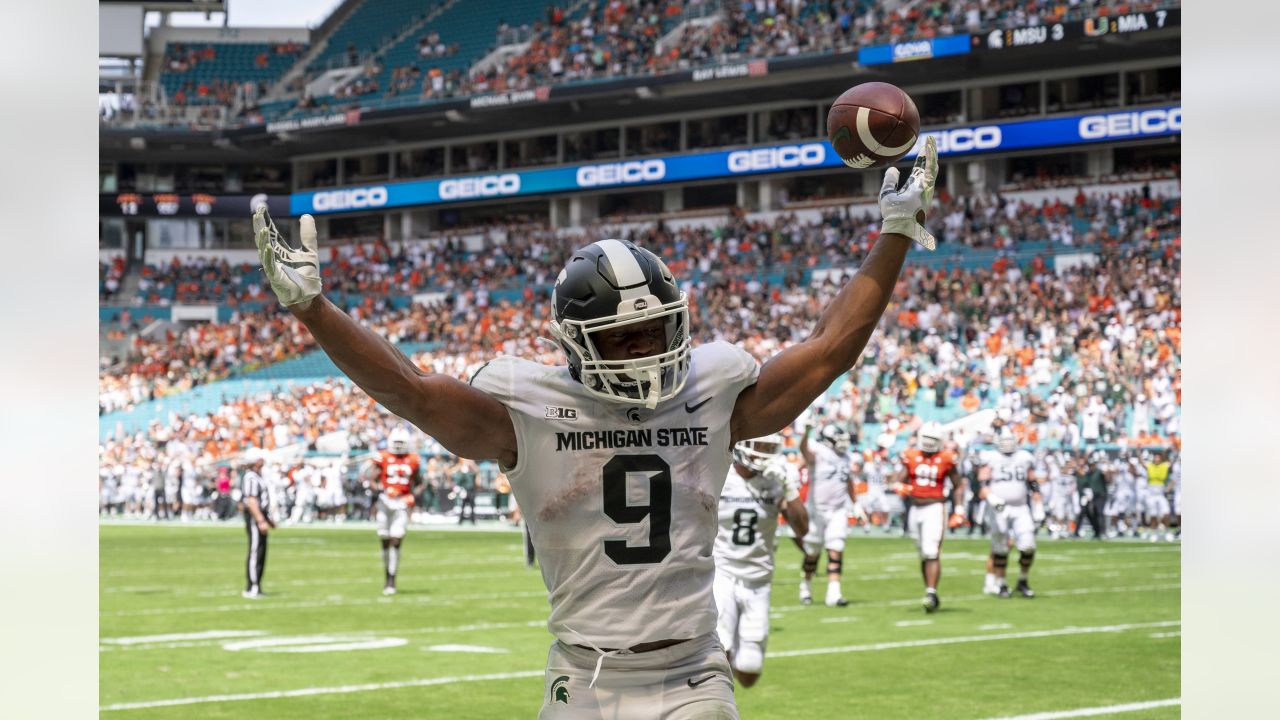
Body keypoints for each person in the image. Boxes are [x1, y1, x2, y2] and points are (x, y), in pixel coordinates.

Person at [251, 137, 938, 718]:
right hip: (584, 678)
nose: (644, 348)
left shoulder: (714, 389)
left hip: (694, 670)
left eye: (653, 330)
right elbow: (410, 391)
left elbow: (830, 349)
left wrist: (896, 231)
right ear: (578, 345)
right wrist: (314, 310)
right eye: (622, 338)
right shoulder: (527, 410)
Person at [713, 435, 808, 687]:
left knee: (750, 671)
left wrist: (790, 489)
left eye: (769, 449)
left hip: (759, 580)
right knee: (718, 650)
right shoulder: (720, 477)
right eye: (760, 448)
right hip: (722, 572)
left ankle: (728, 669)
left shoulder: (776, 482)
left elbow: (802, 529)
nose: (764, 456)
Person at [890, 422, 965, 612]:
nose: (929, 443)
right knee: (923, 553)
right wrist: (899, 486)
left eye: (933, 440)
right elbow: (900, 479)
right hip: (915, 508)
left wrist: (959, 509)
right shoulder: (912, 455)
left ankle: (931, 593)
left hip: (935, 507)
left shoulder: (946, 458)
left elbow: (958, 485)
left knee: (931, 552)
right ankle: (929, 591)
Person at [977, 428, 1043, 599]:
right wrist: (991, 497)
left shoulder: (1024, 457)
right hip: (999, 508)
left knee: (1028, 545)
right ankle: (1001, 583)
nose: (1007, 444)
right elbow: (982, 486)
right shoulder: (991, 458)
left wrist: (1038, 503)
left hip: (1021, 507)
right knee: (1000, 547)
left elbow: (1033, 481)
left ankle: (1023, 580)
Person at [797, 422, 858, 607]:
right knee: (812, 552)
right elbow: (804, 450)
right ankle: (806, 586)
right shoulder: (819, 453)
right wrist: (806, 433)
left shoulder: (846, 456)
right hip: (817, 510)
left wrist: (856, 503)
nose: (843, 443)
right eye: (838, 440)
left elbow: (847, 481)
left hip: (838, 509)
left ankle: (834, 593)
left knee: (836, 548)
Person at [363, 427, 422, 595]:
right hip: (385, 502)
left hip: (402, 503)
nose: (397, 445)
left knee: (396, 540)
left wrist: (412, 496)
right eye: (395, 442)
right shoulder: (384, 457)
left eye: (400, 443)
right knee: (384, 539)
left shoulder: (413, 459)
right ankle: (387, 574)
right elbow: (372, 480)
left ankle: (391, 579)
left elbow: (419, 482)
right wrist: (382, 491)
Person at [240, 448, 273, 598]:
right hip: (255, 518)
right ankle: (253, 586)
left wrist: (268, 520)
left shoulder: (257, 476)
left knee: (260, 552)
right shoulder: (251, 477)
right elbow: (252, 501)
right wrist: (260, 520)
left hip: (260, 517)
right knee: (256, 551)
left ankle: (255, 585)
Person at [1074, 451, 1108, 540]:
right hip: (1091, 496)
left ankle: (1102, 532)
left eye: (1092, 464)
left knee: (1099, 513)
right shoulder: (1088, 473)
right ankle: (1097, 532)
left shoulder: (1099, 472)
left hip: (1100, 495)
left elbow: (1107, 478)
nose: (1091, 466)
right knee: (1092, 514)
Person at [451, 458, 478, 525]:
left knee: (472, 506)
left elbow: (477, 472)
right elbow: (457, 478)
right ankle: (461, 520)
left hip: (471, 490)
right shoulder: (463, 472)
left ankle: (473, 520)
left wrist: (471, 465)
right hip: (465, 490)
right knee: (463, 506)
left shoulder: (472, 472)